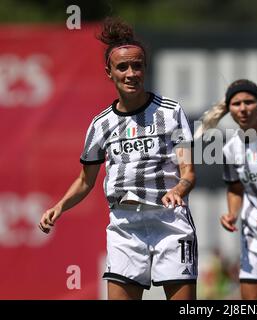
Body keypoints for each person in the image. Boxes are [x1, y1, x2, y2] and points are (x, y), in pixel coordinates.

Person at [38, 17, 197, 300]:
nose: (131, 73)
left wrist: (178, 189)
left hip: (170, 223)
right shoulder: (100, 124)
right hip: (125, 226)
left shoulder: (171, 113)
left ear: (145, 69)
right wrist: (60, 206)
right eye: (122, 66)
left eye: (137, 65)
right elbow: (85, 181)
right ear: (109, 72)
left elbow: (188, 173)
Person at [195, 79, 257, 299]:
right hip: (255, 238)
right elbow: (235, 188)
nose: (243, 108)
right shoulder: (230, 148)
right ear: (229, 109)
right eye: (237, 103)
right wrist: (232, 213)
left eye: (249, 101)